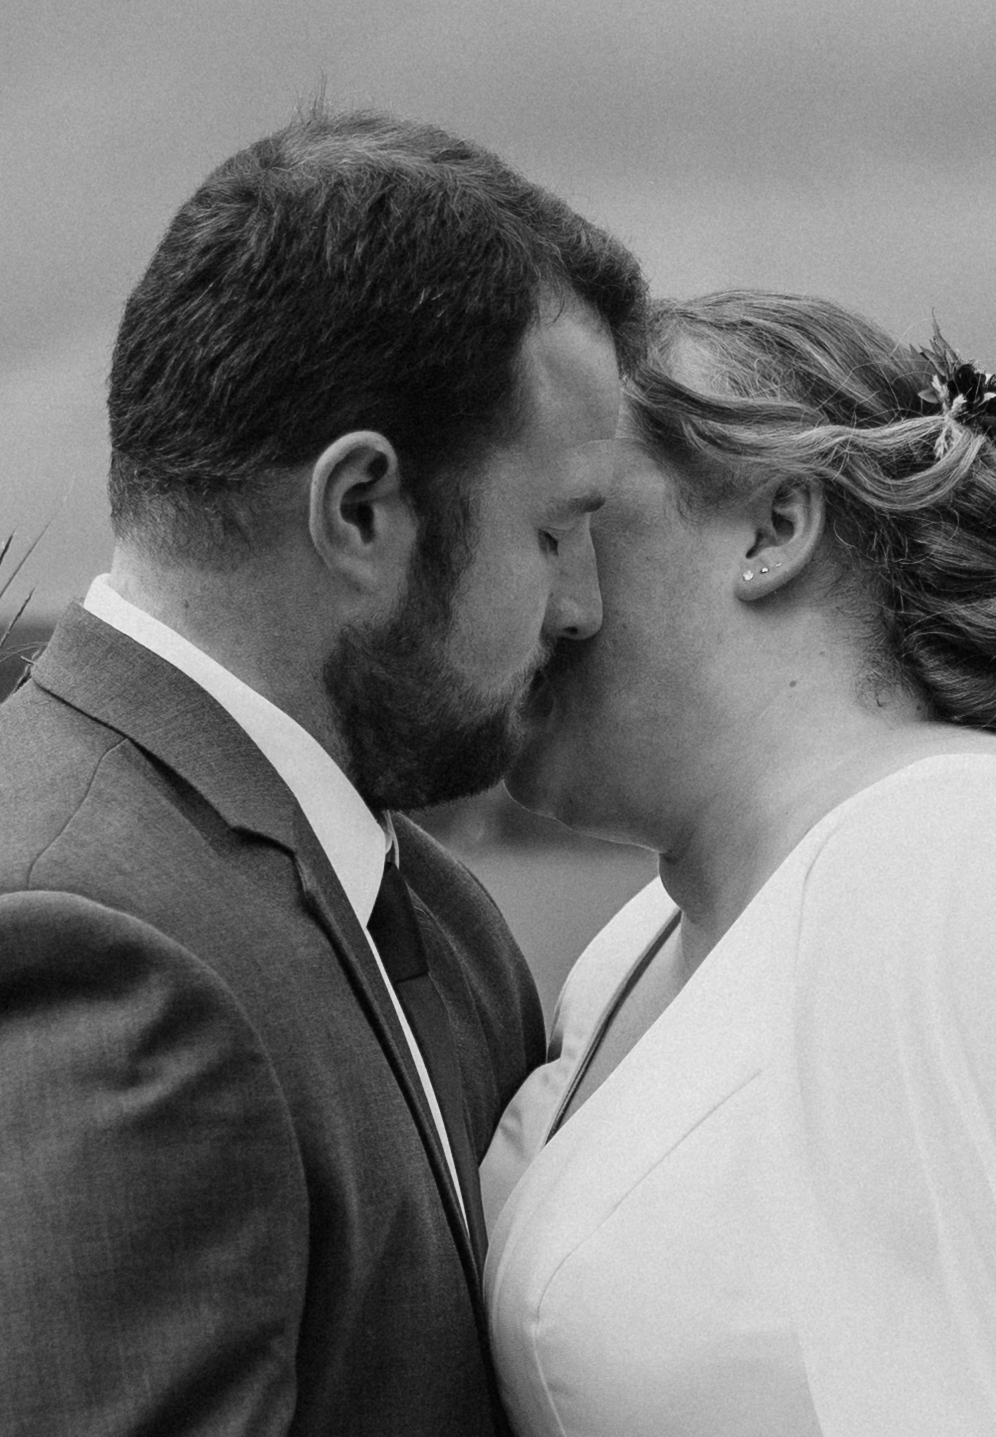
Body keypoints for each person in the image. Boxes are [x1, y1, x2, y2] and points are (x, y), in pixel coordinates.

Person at [0, 107, 646, 1435]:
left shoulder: (442, 916)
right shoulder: (90, 943)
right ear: (359, 510)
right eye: (551, 531)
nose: (581, 607)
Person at [482, 291, 996, 1436]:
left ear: (774, 528)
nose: (544, 595)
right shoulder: (638, 942)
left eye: (576, 518)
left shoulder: (974, 865)